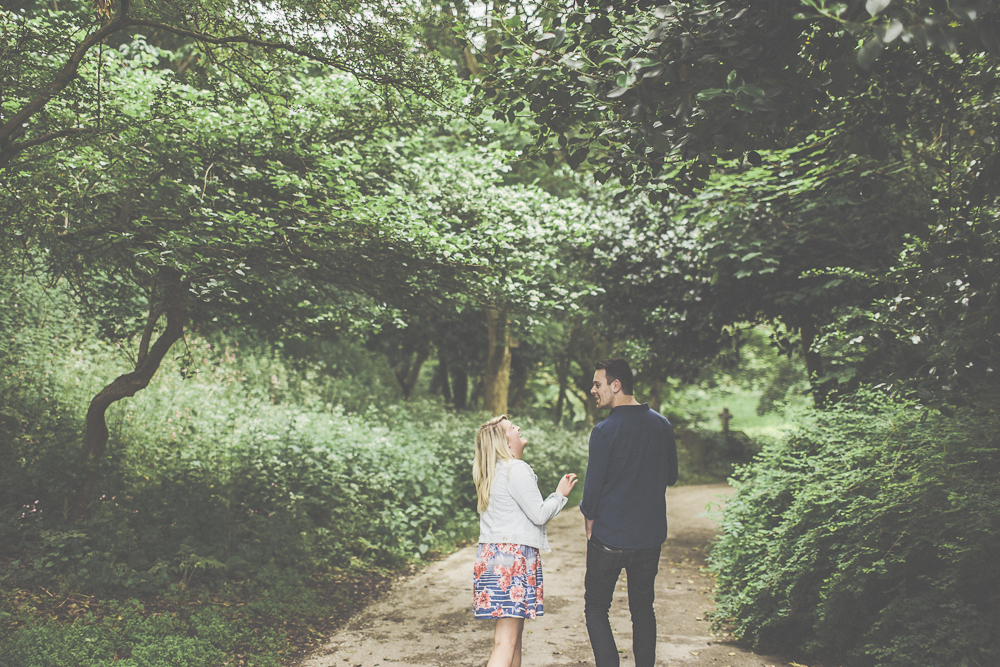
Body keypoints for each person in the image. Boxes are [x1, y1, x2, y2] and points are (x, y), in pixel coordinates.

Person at [580, 358, 679, 667]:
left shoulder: (604, 430)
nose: (593, 389)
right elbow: (672, 476)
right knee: (643, 611)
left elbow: (592, 492)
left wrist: (589, 525)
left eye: (598, 384)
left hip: (608, 539)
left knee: (596, 609)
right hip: (649, 540)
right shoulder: (661, 424)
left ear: (616, 386)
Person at [473, 414, 578, 667]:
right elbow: (539, 514)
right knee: (505, 641)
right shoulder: (515, 469)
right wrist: (559, 494)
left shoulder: (492, 472)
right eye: (512, 427)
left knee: (513, 639)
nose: (518, 427)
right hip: (512, 561)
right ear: (504, 442)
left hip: (492, 557)